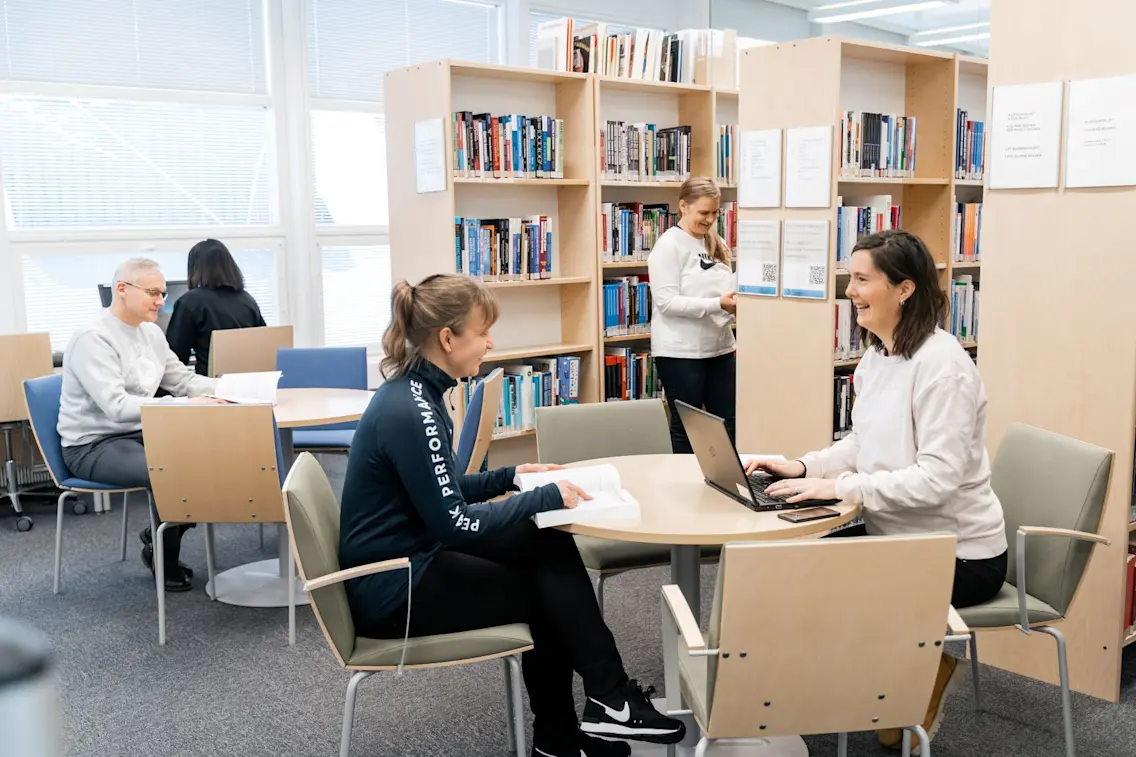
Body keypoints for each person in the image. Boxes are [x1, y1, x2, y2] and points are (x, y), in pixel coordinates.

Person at [338, 274, 687, 757]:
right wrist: (542, 498)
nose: (490, 343)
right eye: (483, 332)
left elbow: (440, 488)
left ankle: (599, 705)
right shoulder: (412, 412)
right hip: (396, 587)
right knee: (546, 593)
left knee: (544, 541)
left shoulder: (413, 394)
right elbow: (454, 522)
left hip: (411, 555)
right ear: (447, 338)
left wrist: (513, 476)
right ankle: (586, 716)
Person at [744, 229, 1008, 754]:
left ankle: (906, 675)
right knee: (784, 569)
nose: (850, 291)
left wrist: (840, 487)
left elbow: (936, 480)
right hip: (898, 537)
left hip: (957, 555)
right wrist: (802, 466)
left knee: (807, 584)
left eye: (862, 280)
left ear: (905, 289)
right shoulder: (878, 357)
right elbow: (861, 442)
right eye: (851, 279)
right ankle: (887, 678)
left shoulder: (943, 368)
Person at [59, 258, 226, 592]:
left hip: (141, 432)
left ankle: (158, 533)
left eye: (163, 293)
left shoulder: (151, 332)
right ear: (122, 289)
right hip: (92, 444)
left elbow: (182, 381)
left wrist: (229, 388)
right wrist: (185, 404)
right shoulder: (93, 337)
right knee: (169, 470)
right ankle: (165, 557)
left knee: (215, 459)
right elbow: (117, 407)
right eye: (153, 293)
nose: (162, 301)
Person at [648, 176, 737, 454]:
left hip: (720, 347)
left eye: (715, 213)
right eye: (703, 212)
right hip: (681, 353)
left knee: (730, 423)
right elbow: (666, 302)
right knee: (686, 428)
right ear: (683, 206)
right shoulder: (669, 245)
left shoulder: (715, 242)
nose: (710, 220)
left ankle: (728, 478)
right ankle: (684, 479)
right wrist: (717, 304)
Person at [165, 239, 266, 376]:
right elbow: (262, 344)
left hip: (210, 383)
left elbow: (175, 357)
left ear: (195, 268)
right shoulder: (247, 300)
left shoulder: (190, 301)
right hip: (247, 380)